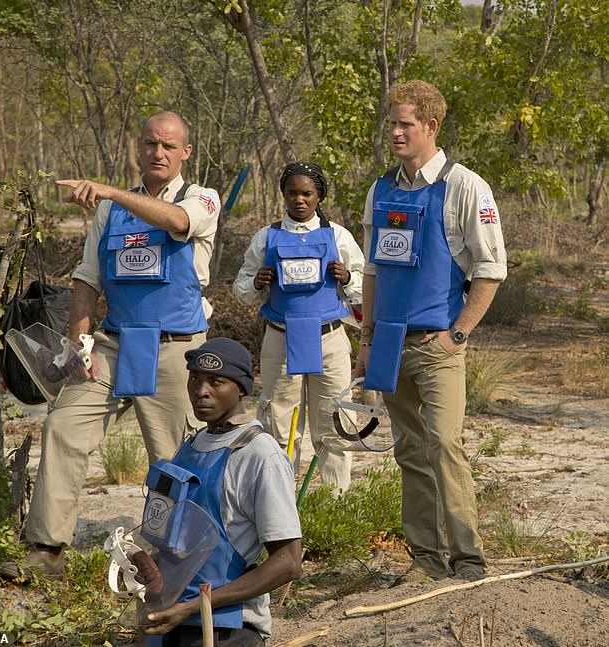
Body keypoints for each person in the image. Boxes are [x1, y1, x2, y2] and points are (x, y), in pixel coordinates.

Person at [0, 110, 221, 581]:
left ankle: (176, 563)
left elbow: (176, 221)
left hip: (176, 350)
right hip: (113, 345)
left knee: (171, 461)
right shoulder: (109, 211)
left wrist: (111, 190)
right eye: (149, 144)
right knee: (63, 425)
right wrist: (79, 340)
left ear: (185, 152)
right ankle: (46, 551)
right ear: (138, 148)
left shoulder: (202, 198)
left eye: (167, 146)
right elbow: (86, 280)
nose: (157, 153)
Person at [354, 80, 507, 582]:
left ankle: (470, 560)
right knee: (410, 452)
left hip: (438, 345)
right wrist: (367, 340)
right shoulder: (382, 188)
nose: (395, 132)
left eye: (406, 124)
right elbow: (374, 269)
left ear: (431, 127)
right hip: (389, 344)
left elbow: (491, 269)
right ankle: (426, 559)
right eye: (392, 123)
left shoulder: (465, 186)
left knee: (444, 446)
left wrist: (457, 335)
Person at [141, 337, 302, 646]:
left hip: (225, 630)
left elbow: (288, 562)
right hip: (168, 621)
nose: (202, 391)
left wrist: (195, 606)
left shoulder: (260, 454)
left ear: (241, 388)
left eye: (216, 382)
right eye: (195, 379)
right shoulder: (190, 446)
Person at [233, 162, 364, 493]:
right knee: (280, 425)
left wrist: (347, 278)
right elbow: (242, 288)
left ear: (319, 195)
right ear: (283, 195)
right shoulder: (267, 237)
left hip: (329, 339)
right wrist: (257, 282)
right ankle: (281, 506)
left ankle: (336, 504)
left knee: (334, 423)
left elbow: (366, 285)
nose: (299, 200)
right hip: (280, 341)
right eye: (292, 193)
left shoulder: (338, 236)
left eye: (307, 193)